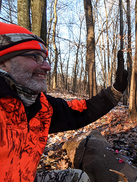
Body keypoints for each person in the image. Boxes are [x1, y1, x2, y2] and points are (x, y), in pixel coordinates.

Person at [0, 22, 128, 182]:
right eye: (36, 57)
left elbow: (83, 110)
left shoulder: (41, 106)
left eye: (45, 58)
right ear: (4, 62)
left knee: (77, 178)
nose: (47, 67)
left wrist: (116, 91)